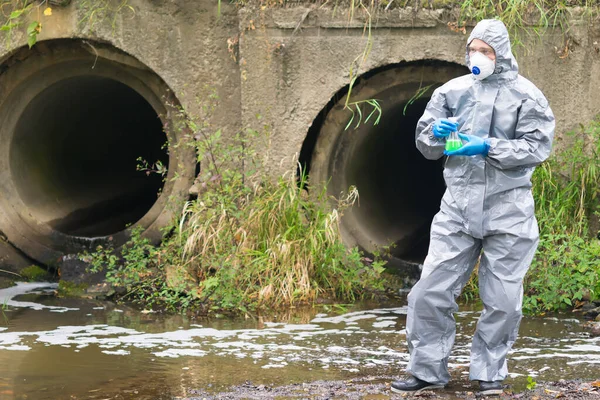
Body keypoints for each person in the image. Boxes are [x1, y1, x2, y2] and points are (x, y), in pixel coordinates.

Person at [391, 19, 555, 396]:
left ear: (502, 54)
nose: (477, 56)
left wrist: (488, 147)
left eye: (486, 50)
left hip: (508, 212)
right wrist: (437, 132)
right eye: (473, 49)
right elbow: (425, 143)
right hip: (458, 211)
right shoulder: (452, 91)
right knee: (429, 290)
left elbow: (537, 147)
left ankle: (489, 373)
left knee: (502, 301)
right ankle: (426, 371)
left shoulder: (527, 96)